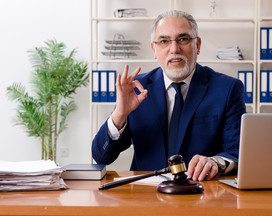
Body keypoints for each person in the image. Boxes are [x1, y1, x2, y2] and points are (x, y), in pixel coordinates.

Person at [92, 10, 246, 181]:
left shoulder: (227, 89)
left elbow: (237, 152)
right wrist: (119, 115)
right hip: (145, 195)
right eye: (164, 41)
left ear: (198, 45)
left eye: (183, 39)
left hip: (202, 191)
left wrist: (216, 162)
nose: (174, 49)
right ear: (154, 49)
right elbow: (101, 157)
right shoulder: (135, 88)